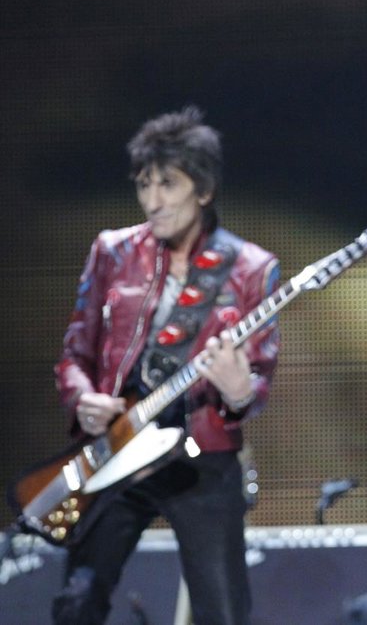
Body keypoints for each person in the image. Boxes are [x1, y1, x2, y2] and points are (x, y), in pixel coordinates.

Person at [51, 106, 279, 625]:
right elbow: (74, 354)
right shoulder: (112, 252)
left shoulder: (251, 269)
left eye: (168, 184)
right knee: (77, 601)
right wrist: (82, 398)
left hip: (202, 461)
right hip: (117, 449)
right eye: (144, 185)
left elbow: (258, 382)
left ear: (204, 190)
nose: (153, 201)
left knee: (223, 613)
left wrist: (239, 391)